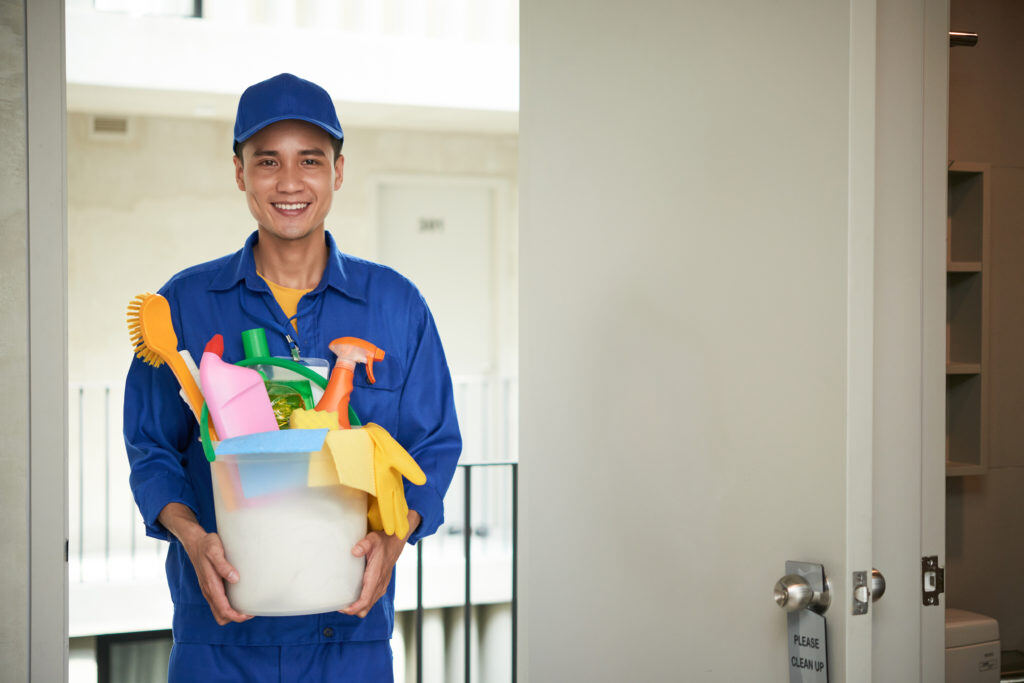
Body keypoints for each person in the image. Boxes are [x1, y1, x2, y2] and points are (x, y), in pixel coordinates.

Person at [123, 73, 462, 681]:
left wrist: (397, 535)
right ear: (239, 172)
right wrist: (193, 538)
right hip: (221, 637)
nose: (289, 183)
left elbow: (433, 445)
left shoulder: (395, 305)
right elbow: (151, 450)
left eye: (309, 160)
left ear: (337, 170)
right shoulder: (185, 305)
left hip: (349, 633)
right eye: (266, 161)